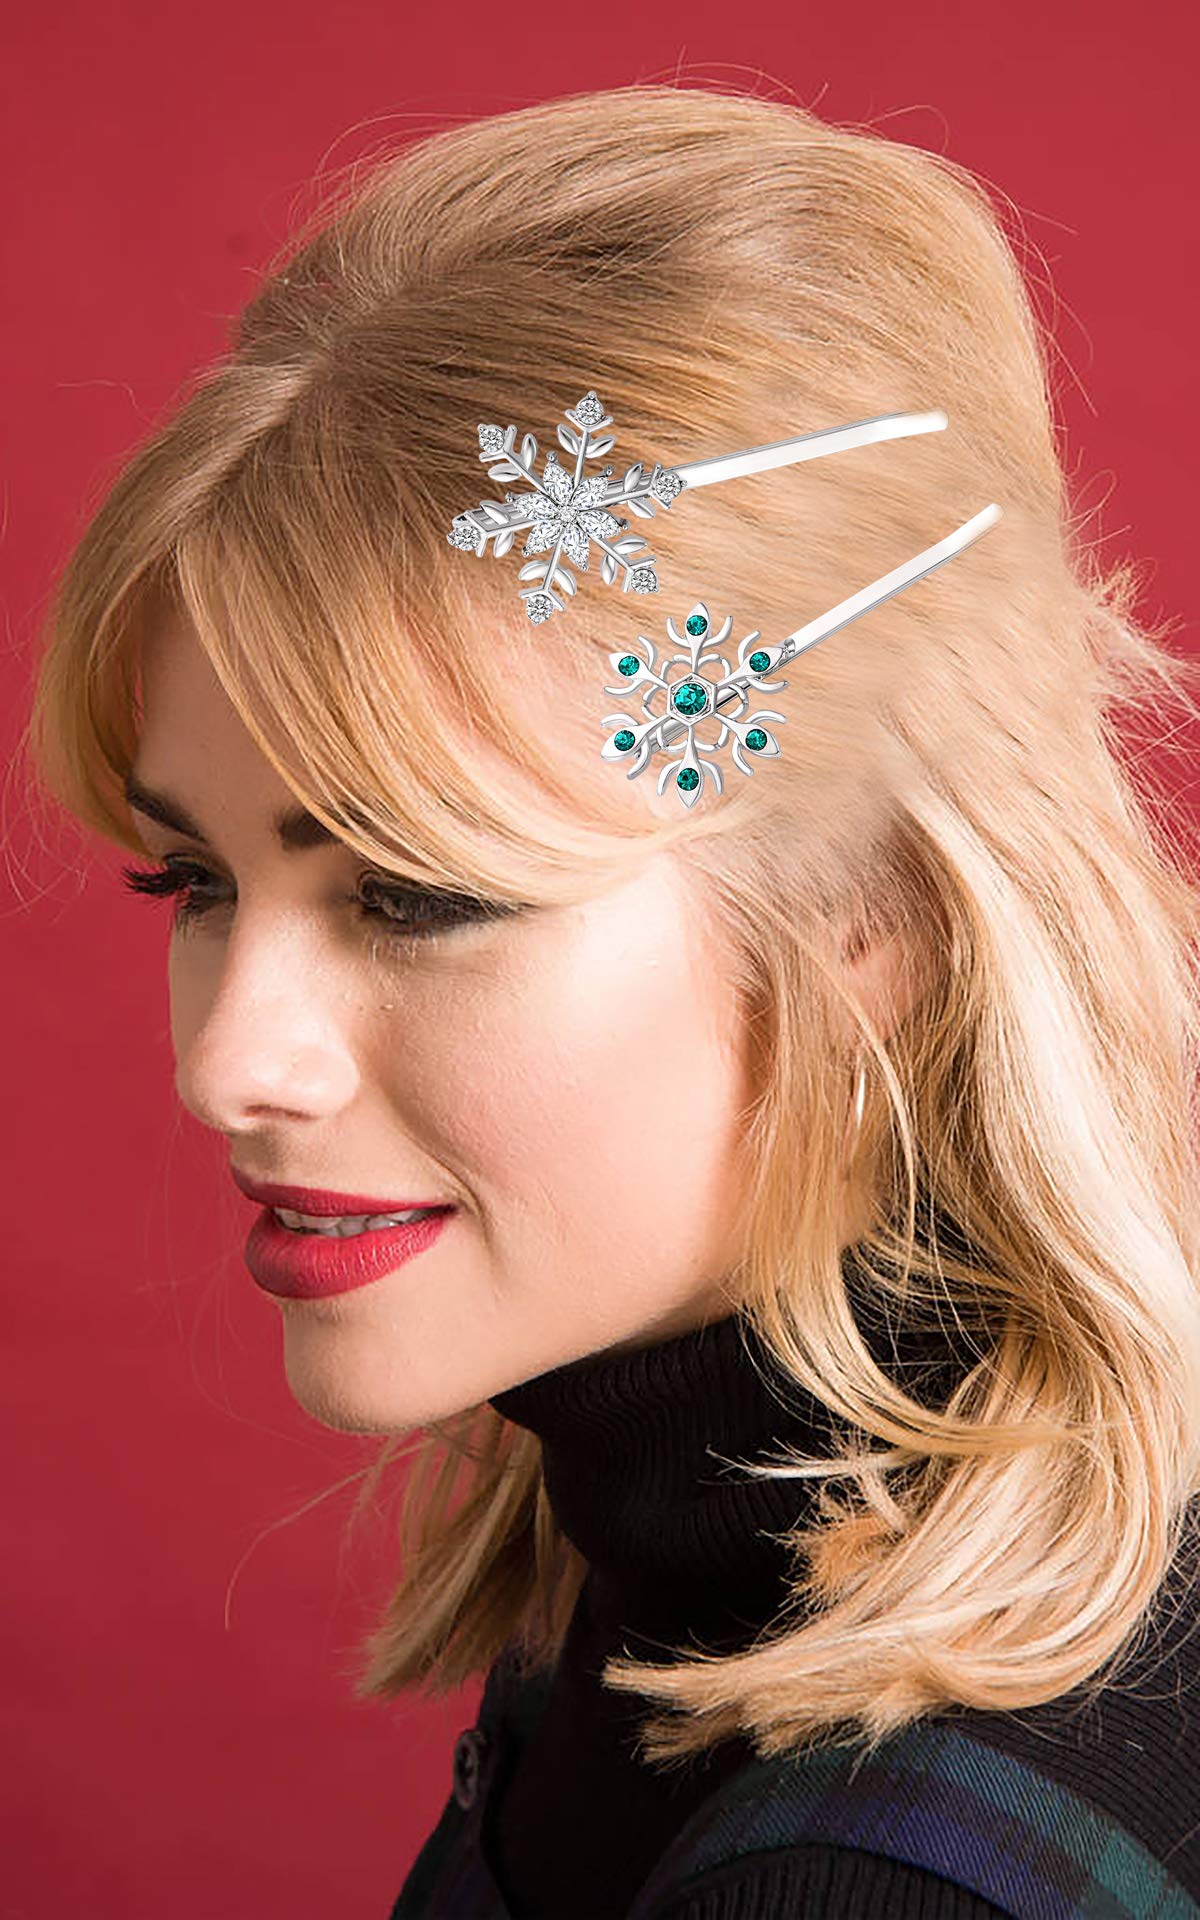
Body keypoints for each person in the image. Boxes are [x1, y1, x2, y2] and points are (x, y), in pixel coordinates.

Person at [21, 81, 1200, 1919]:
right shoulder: (726, 1581)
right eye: (196, 882)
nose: (228, 1062)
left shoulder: (874, 1879)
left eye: (417, 895)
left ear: (868, 915)